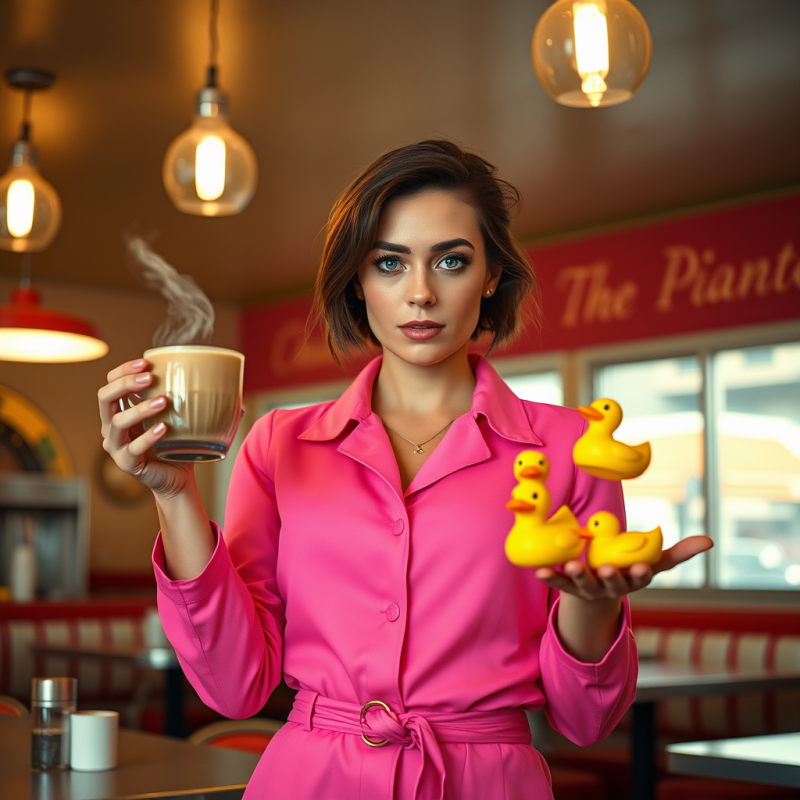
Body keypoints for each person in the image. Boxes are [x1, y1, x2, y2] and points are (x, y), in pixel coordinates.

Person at [98, 140, 711, 800]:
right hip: (310, 781)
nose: (420, 293)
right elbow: (235, 687)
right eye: (389, 263)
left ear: (492, 275)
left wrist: (594, 606)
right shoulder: (278, 443)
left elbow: (587, 721)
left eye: (451, 260)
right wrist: (174, 493)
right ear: (358, 283)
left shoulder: (572, 447)